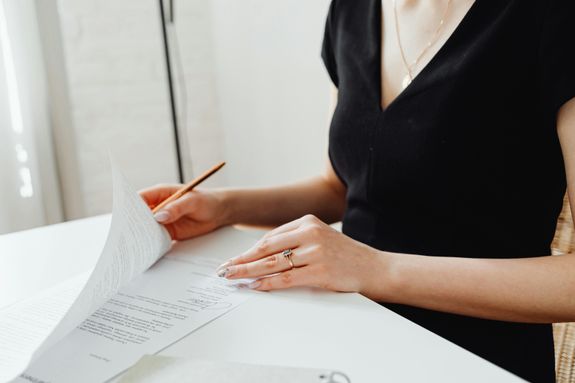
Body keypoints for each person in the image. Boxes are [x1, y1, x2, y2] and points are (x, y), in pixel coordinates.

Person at [141, 1, 575, 381]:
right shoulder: (352, 9)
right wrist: (224, 206)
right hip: (346, 334)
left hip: (472, 354)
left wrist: (373, 269)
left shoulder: (552, 16)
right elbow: (343, 185)